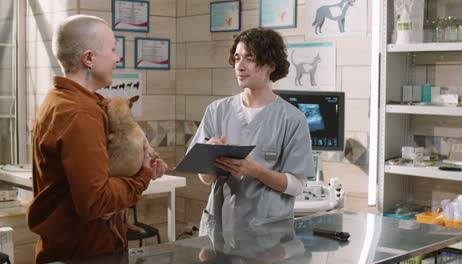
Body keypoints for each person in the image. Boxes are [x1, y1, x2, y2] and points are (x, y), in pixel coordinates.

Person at [27, 15, 168, 263]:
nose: (117, 58)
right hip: (85, 253)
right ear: (89, 58)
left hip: (65, 247)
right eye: (113, 49)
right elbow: (96, 202)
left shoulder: (59, 100)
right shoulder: (81, 113)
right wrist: (142, 176)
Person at [188, 27, 314, 236]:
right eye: (237, 58)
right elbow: (205, 178)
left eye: (250, 58)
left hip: (267, 233)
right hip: (218, 228)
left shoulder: (292, 119)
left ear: (270, 65)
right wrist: (208, 158)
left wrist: (256, 171)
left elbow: (297, 186)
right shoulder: (217, 110)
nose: (240, 66)